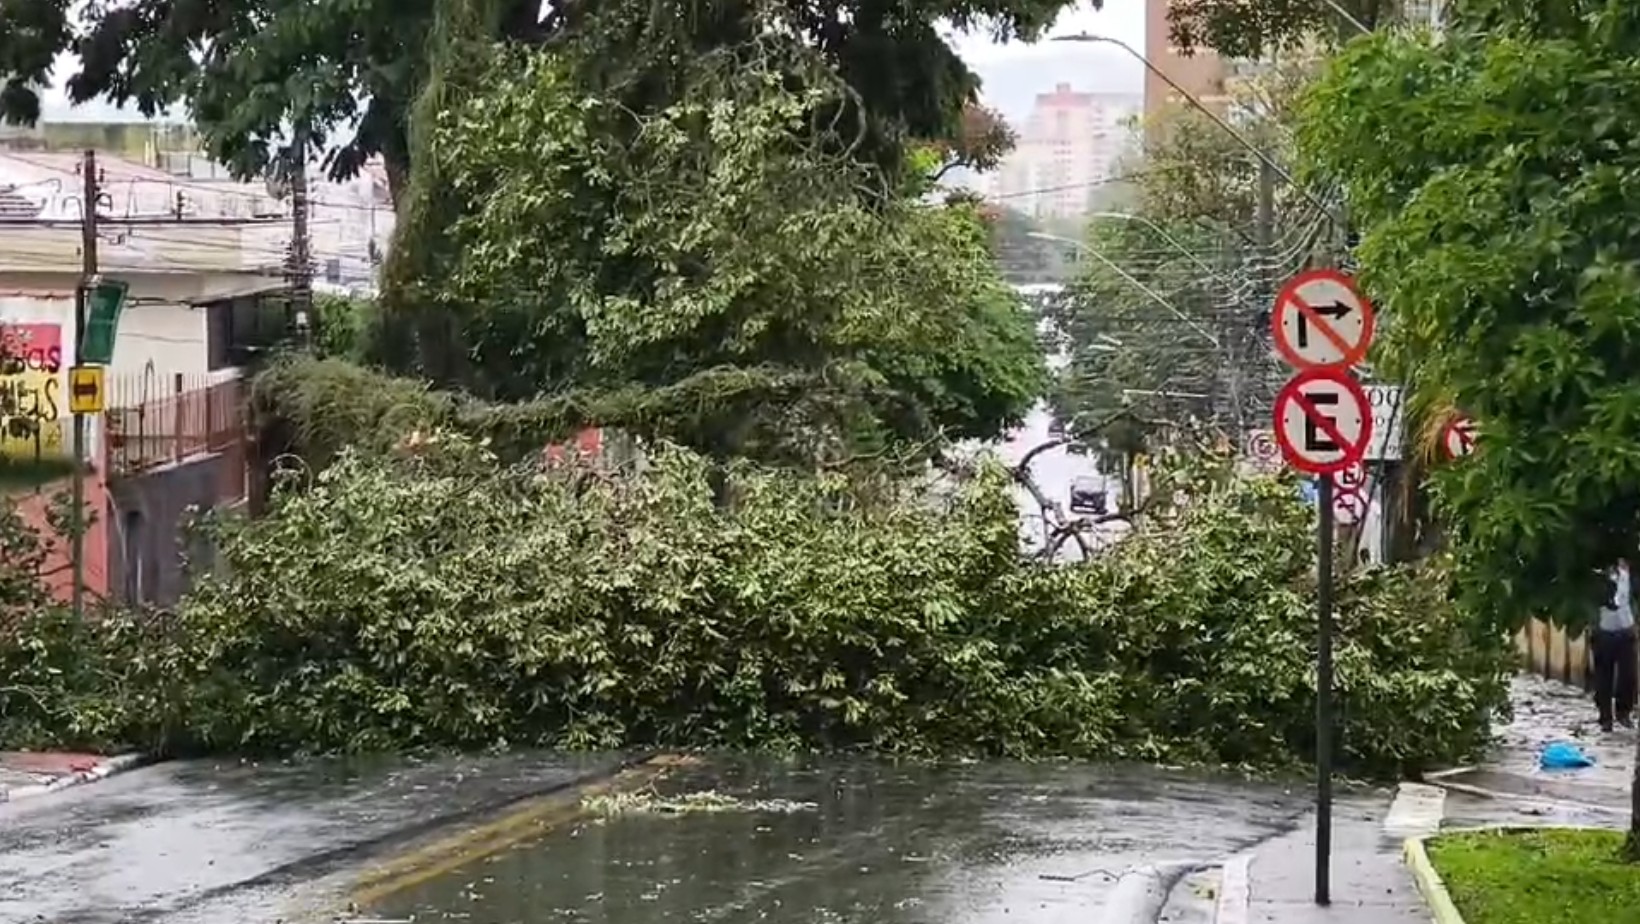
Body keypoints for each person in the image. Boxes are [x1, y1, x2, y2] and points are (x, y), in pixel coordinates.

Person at [1593, 560, 1637, 732]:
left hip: (1626, 630)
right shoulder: (1598, 573)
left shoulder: (1630, 572)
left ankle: (1623, 712)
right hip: (1604, 631)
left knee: (1629, 675)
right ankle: (1605, 718)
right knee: (1604, 678)